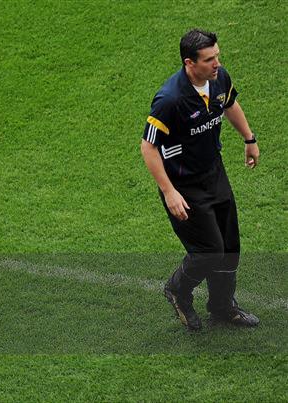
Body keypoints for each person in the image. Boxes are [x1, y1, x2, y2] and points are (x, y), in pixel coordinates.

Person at [140, 29, 260, 331]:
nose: (217, 63)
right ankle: (178, 290)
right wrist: (169, 192)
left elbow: (229, 104)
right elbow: (148, 146)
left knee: (230, 246)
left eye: (217, 56)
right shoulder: (170, 99)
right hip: (184, 186)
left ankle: (222, 306)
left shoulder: (219, 78)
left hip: (214, 173)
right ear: (189, 63)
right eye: (209, 59)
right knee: (209, 250)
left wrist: (249, 138)